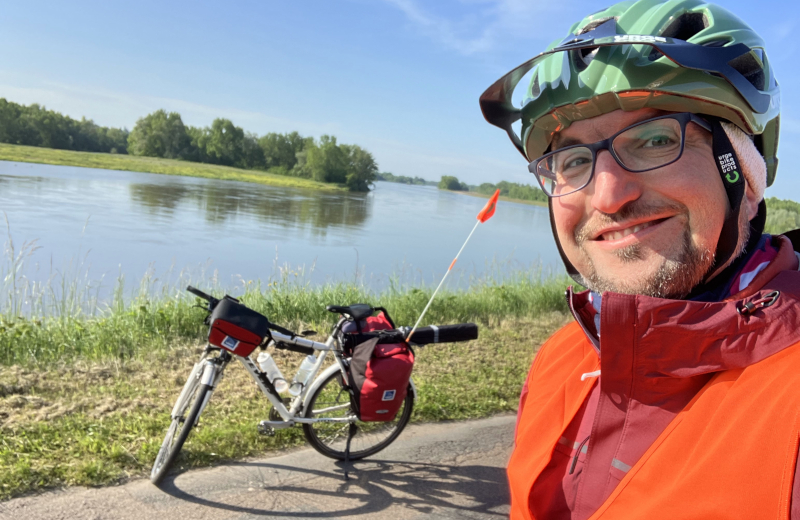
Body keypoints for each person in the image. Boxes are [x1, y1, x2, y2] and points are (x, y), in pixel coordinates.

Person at [479, 0, 800, 518]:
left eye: (654, 140)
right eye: (573, 159)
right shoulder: (559, 358)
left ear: (744, 167)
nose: (608, 197)